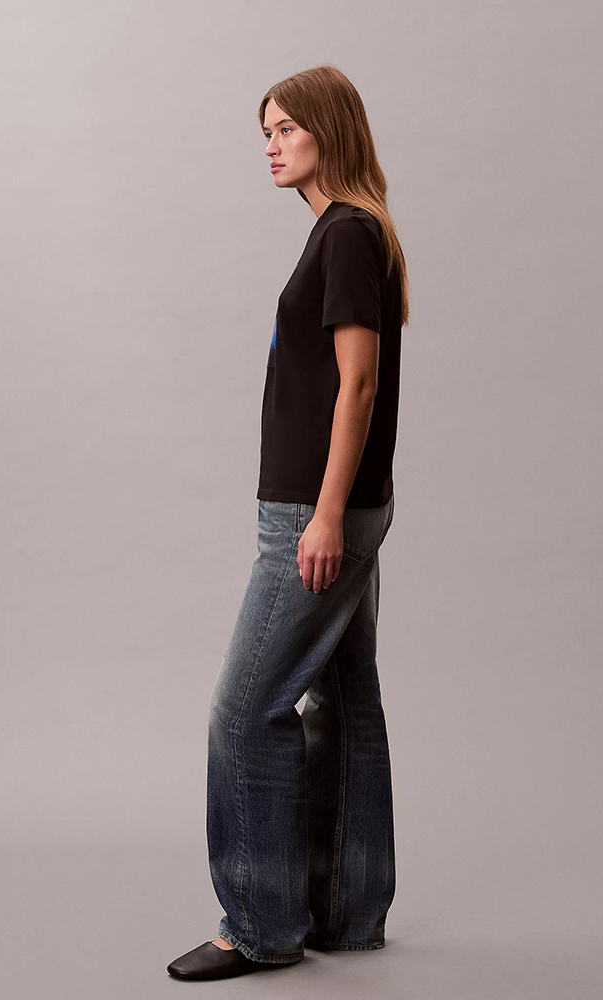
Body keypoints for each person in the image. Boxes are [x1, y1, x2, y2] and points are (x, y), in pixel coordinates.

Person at [167, 64, 409, 981]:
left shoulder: (345, 233)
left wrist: (327, 515)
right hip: (335, 504)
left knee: (245, 711)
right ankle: (346, 913)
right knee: (343, 700)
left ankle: (260, 924)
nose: (271, 147)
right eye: (265, 132)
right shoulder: (350, 232)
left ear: (328, 131)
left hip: (317, 510)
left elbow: (360, 382)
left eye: (286, 129)